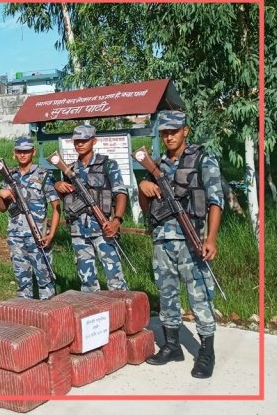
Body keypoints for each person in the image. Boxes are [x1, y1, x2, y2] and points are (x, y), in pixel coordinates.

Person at [138, 110, 223, 379]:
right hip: (163, 240)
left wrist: (211, 238)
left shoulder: (202, 158)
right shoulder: (157, 165)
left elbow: (215, 200)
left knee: (199, 297)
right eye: (164, 132)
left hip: (192, 240)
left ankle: (206, 352)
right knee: (167, 295)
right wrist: (144, 188)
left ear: (185, 130)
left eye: (174, 130)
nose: (169, 136)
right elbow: (146, 207)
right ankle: (172, 346)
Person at [54, 125, 129, 292]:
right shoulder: (70, 169)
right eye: (77, 141)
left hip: (104, 228)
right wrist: (59, 186)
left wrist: (117, 220)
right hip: (78, 231)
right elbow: (67, 198)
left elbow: (121, 193)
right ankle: (93, 316)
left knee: (115, 279)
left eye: (84, 140)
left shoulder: (108, 165)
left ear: (93, 141)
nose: (80, 144)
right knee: (87, 282)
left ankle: (121, 314)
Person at [0, 137, 61, 299]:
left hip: (38, 236)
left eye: (26, 151)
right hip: (16, 235)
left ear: (33, 152)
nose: (23, 155)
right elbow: (2, 208)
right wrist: (1, 195)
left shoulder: (43, 175)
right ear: (14, 153)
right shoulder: (8, 175)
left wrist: (51, 234)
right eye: (19, 151)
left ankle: (50, 316)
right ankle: (26, 314)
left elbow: (56, 208)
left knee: (45, 279)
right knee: (22, 280)